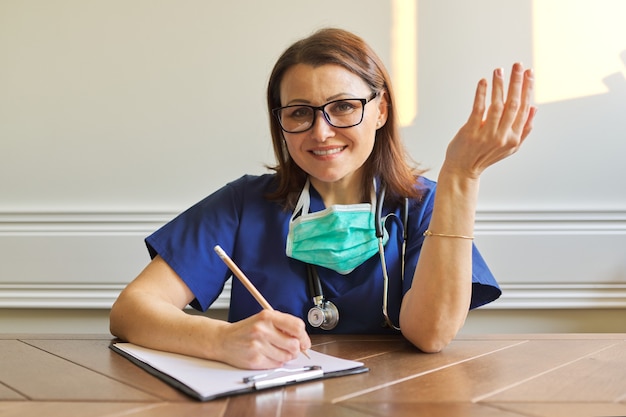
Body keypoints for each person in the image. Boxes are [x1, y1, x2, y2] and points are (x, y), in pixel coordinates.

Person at [109, 28, 536, 370]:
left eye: (344, 106)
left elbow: (431, 335)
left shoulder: (421, 206)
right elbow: (132, 310)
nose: (321, 131)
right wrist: (221, 339)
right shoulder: (242, 204)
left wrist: (462, 175)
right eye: (299, 112)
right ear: (280, 123)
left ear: (381, 110)